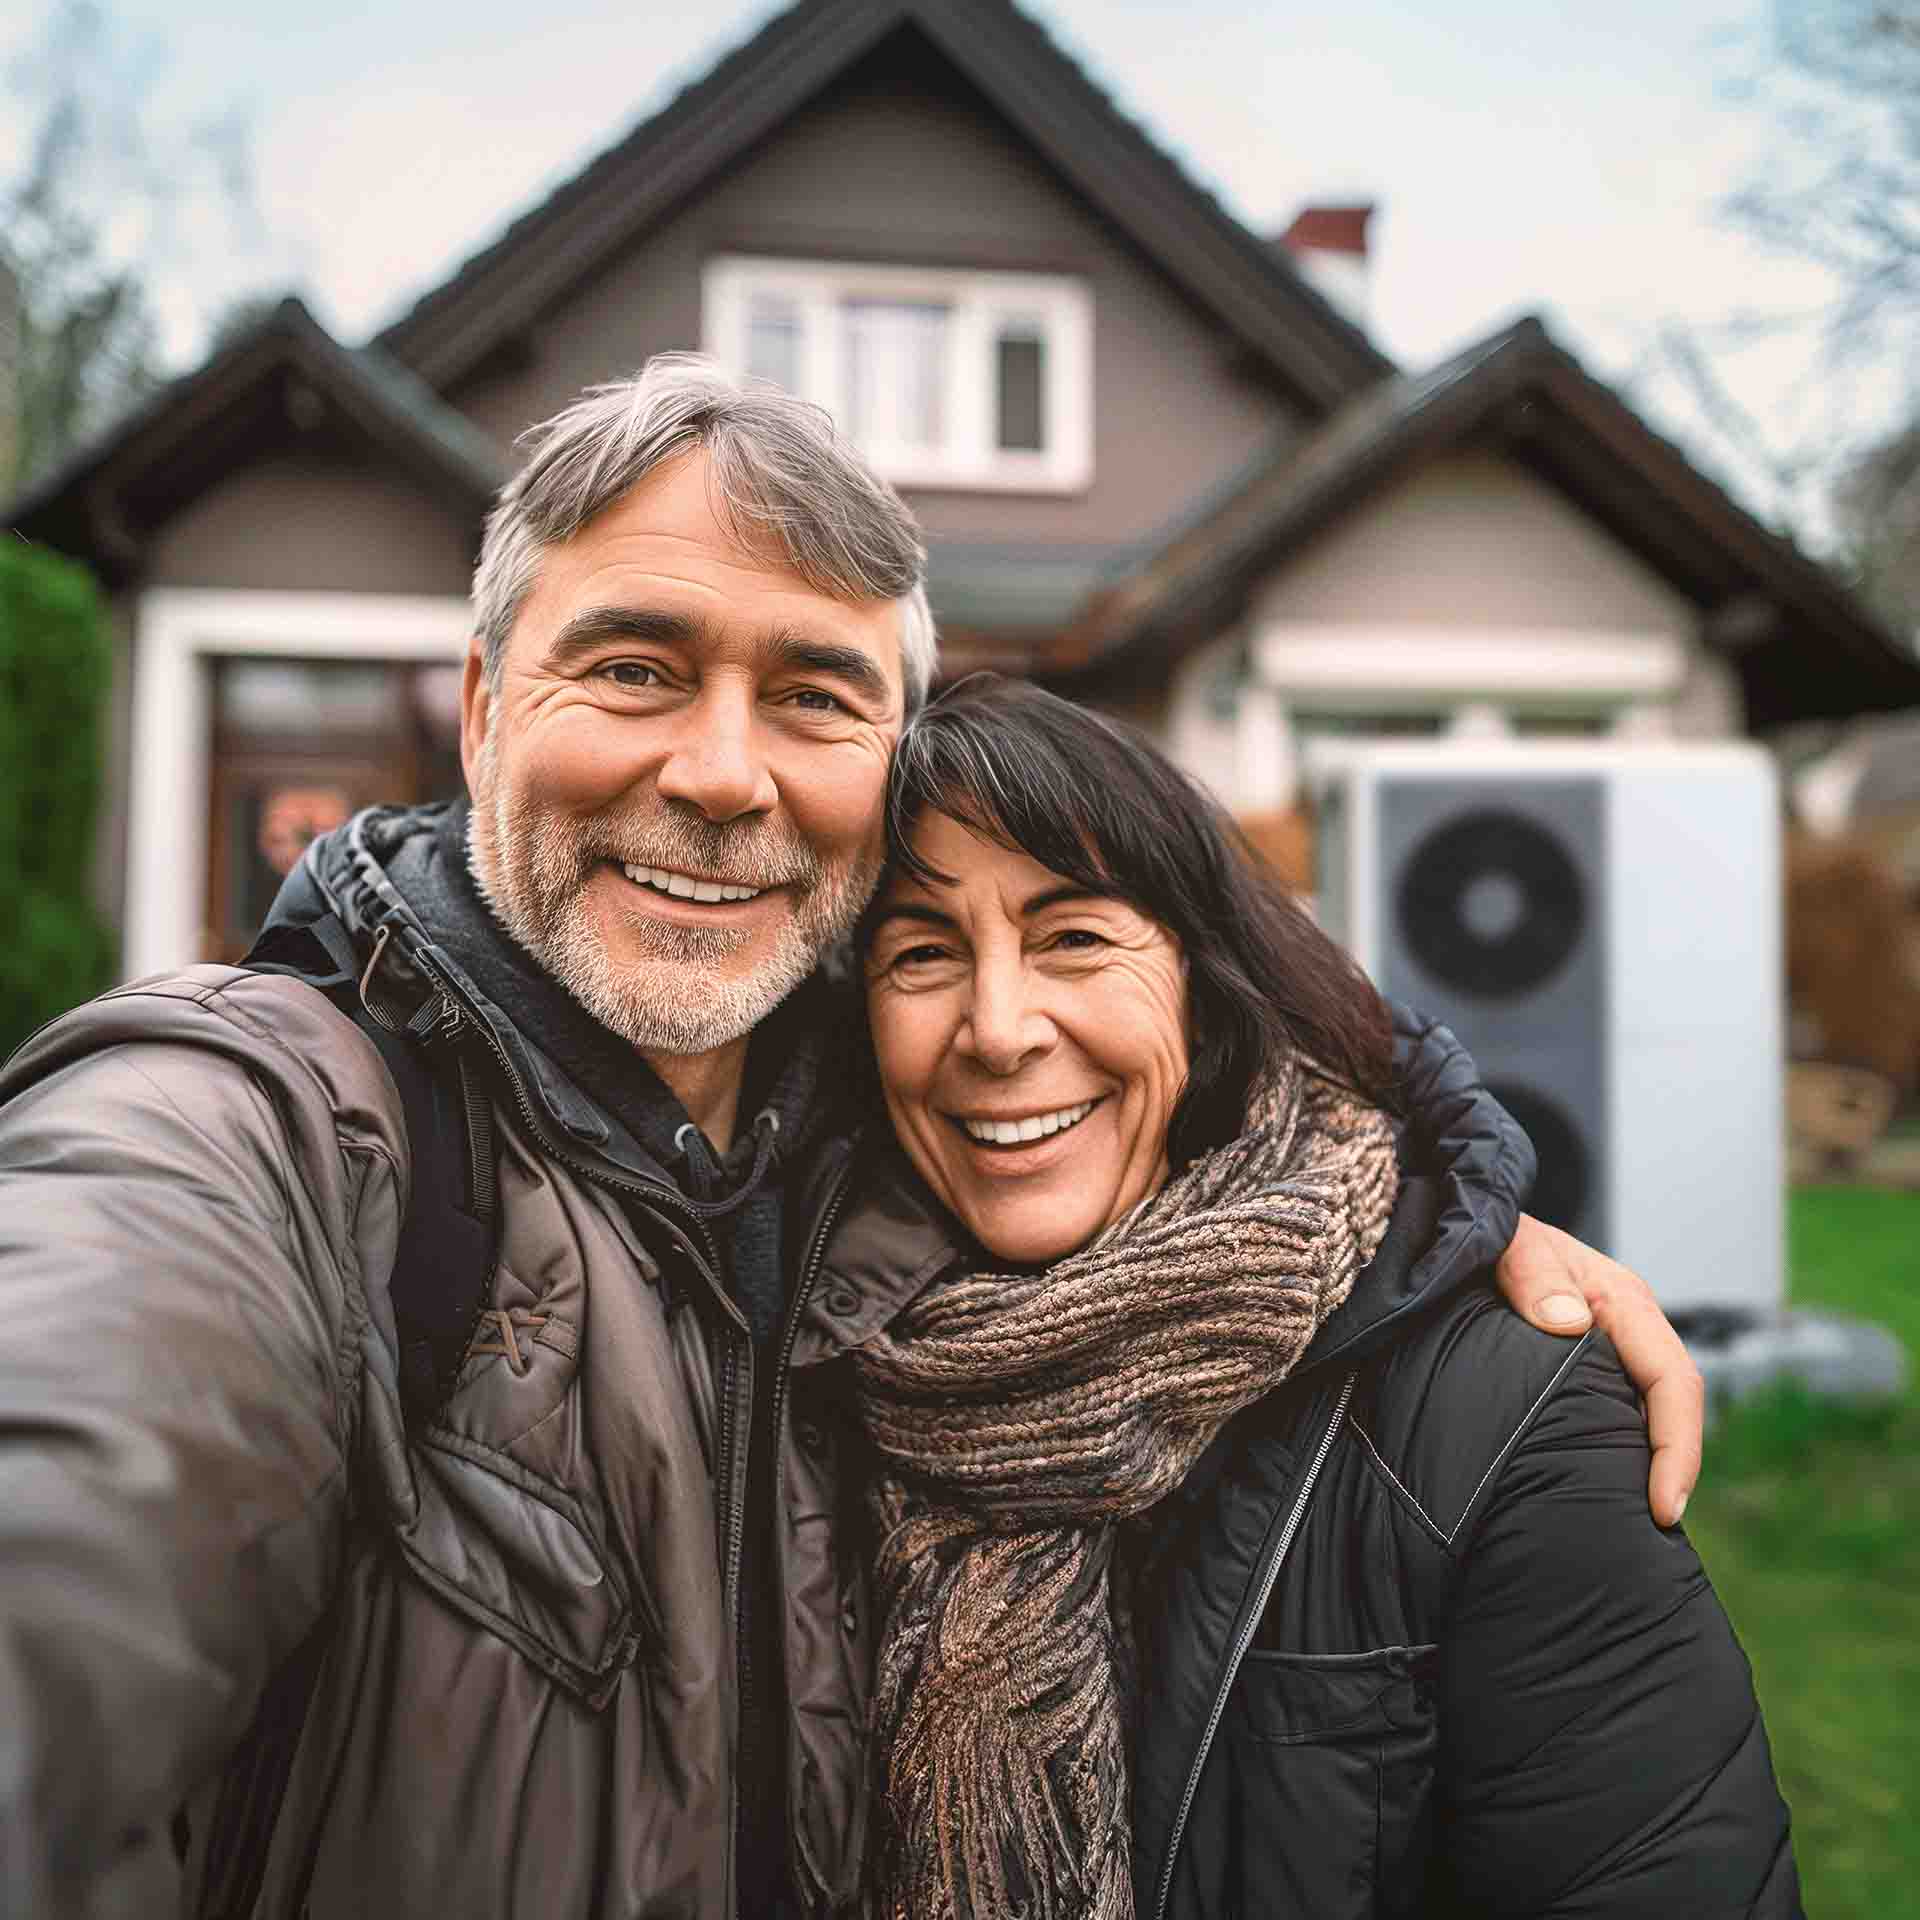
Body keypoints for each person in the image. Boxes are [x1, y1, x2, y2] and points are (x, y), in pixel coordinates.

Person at [0, 356, 1702, 1920]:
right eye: (636, 665)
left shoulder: (894, 1199)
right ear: (481, 706)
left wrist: (1445, 1219)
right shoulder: (263, 1131)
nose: (726, 773)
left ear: (882, 769)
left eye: (813, 695)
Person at [840, 675, 1798, 1920]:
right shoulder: (793, 1371)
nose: (1000, 1027)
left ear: (1201, 976)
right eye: (922, 952)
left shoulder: (1500, 1420)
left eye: (1077, 935)